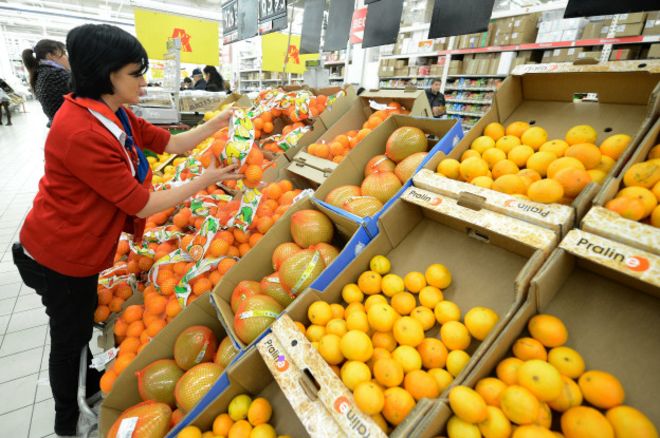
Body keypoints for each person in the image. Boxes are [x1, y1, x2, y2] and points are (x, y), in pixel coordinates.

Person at [13, 24, 241, 437]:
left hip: (77, 247)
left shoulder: (110, 113)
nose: (144, 80)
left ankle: (84, 393)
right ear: (106, 74)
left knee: (77, 330)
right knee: (70, 339)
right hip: (58, 255)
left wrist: (218, 122)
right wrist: (203, 182)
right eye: (135, 73)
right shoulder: (81, 130)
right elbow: (140, 204)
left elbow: (170, 144)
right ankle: (69, 421)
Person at [21, 39, 71, 124]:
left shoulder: (41, 73)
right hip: (68, 125)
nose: (67, 57)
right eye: (64, 53)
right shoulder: (55, 74)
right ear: (50, 55)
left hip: (59, 125)